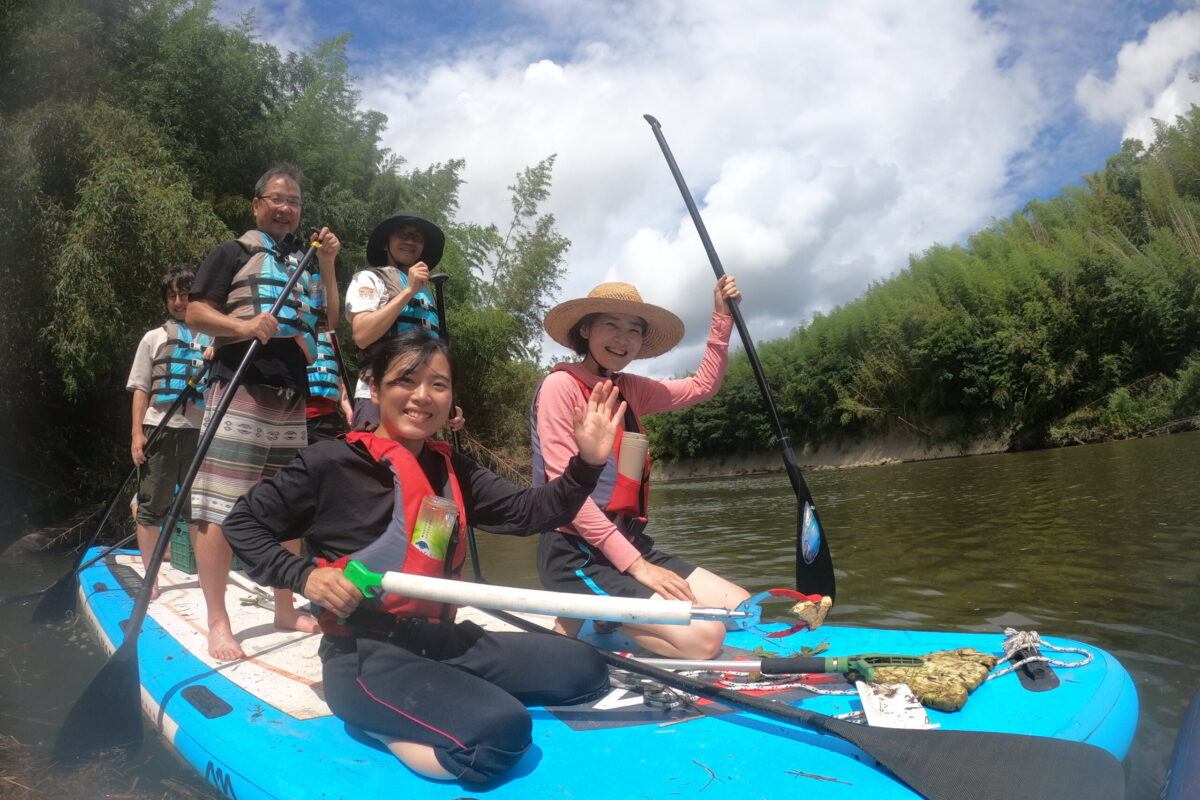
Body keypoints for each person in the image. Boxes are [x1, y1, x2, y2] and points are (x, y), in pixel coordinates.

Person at [222, 329, 619, 783]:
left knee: (583, 667)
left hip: (437, 642)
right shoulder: (330, 463)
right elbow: (242, 524)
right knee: (500, 737)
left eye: (438, 384)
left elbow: (529, 513)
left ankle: (446, 695)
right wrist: (305, 576)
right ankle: (381, 727)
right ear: (375, 387)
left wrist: (586, 465)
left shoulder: (452, 467)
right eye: (406, 380)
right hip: (364, 657)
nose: (422, 396)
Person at [532, 278, 751, 659]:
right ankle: (597, 611)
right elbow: (568, 500)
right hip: (575, 553)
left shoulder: (630, 388)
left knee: (740, 608)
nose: (623, 338)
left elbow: (703, 386)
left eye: (634, 329)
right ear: (586, 330)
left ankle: (607, 614)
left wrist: (721, 316)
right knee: (706, 639)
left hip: (627, 542)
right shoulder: (560, 388)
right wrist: (639, 568)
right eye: (611, 325)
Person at [186, 163, 341, 660]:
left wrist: (332, 263)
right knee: (217, 504)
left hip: (290, 396)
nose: (284, 207)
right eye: (276, 198)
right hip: (239, 385)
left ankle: (283, 605)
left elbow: (330, 319)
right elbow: (195, 312)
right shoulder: (230, 253)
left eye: (293, 201)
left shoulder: (304, 263)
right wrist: (247, 324)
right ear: (257, 204)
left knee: (287, 504)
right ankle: (218, 620)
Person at [126, 267, 211, 599]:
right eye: (172, 295)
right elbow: (140, 389)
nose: (178, 301)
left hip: (200, 433)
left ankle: (207, 575)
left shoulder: (217, 339)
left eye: (185, 294)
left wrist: (217, 354)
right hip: (159, 430)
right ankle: (151, 578)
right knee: (151, 506)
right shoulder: (154, 338)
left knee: (199, 509)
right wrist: (136, 434)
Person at [345, 212, 456, 430]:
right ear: (386, 244)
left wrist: (449, 402)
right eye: (401, 234)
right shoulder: (370, 278)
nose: (409, 241)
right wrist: (408, 291)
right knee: (374, 463)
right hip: (377, 395)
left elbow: (438, 356)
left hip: (422, 401)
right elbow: (362, 335)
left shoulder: (428, 293)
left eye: (417, 237)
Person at [305, 331, 353, 443]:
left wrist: (348, 409)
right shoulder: (286, 333)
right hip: (292, 417)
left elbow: (338, 379)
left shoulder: (329, 338)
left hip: (327, 418)